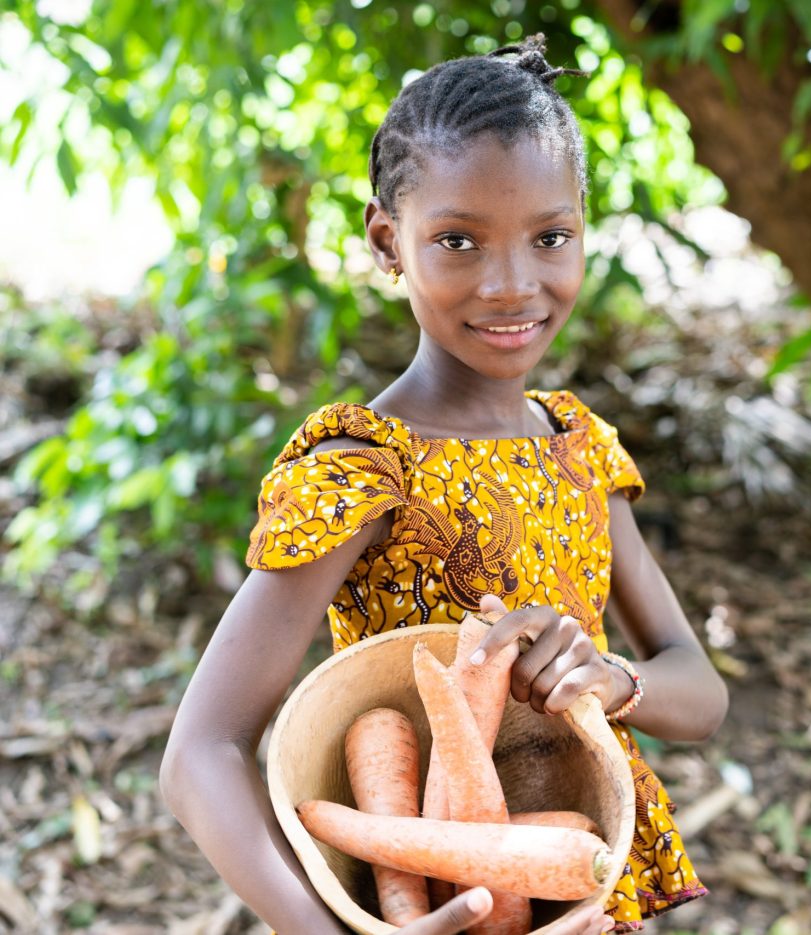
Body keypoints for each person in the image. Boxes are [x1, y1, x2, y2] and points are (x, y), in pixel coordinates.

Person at [160, 34, 728, 934]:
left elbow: (699, 690)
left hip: (581, 884)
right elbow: (199, 754)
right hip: (416, 900)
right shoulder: (361, 470)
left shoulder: (577, 444)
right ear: (388, 241)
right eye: (457, 240)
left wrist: (612, 681)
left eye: (551, 237)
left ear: (583, 227)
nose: (511, 285)